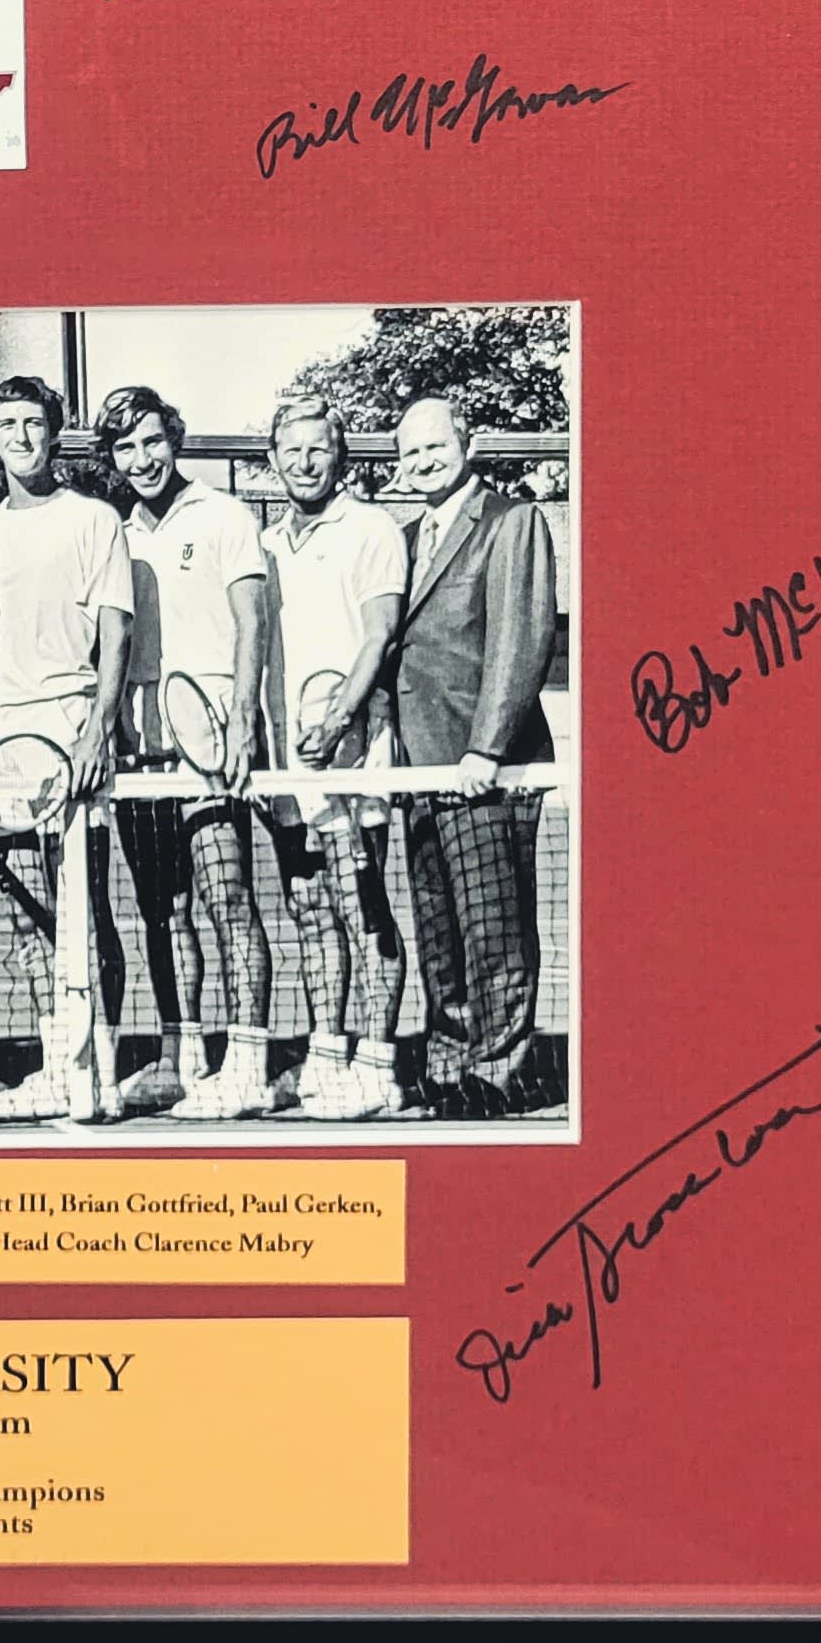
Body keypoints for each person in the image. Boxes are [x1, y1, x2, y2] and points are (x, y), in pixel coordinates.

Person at [97, 383, 276, 1120]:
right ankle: (181, 1057)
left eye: (151, 440)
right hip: (143, 754)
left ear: (175, 437)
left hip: (210, 750)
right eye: (125, 446)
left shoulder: (226, 515)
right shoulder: (117, 533)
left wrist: (239, 719)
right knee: (162, 911)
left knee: (229, 898)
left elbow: (251, 621)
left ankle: (250, 1062)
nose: (142, 458)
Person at [385, 395, 561, 1116]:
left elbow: (520, 640)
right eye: (410, 452)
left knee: (495, 927)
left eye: (436, 446)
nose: (423, 460)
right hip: (419, 772)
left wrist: (486, 748)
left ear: (470, 442)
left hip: (482, 769)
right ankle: (450, 1067)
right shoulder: (402, 535)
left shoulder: (512, 521)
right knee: (439, 929)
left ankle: (499, 1074)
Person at [0, 374, 133, 1120]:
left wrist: (99, 725)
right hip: (2, 739)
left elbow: (117, 632)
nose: (22, 437)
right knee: (27, 912)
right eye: (7, 424)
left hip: (73, 727)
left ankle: (98, 1064)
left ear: (54, 432)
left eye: (34, 422)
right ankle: (55, 1063)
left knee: (84, 905)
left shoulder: (96, 520)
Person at [257, 394, 410, 1119]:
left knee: (364, 906)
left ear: (340, 454)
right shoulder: (266, 544)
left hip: (353, 755)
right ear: (272, 460)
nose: (305, 461)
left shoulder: (371, 527)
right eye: (291, 450)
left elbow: (378, 635)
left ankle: (378, 1068)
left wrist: (341, 719)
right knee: (310, 907)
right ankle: (327, 1055)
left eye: (318, 448)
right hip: (290, 762)